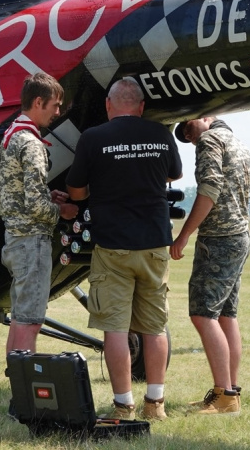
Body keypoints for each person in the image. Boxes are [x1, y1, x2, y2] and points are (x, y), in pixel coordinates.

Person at [66, 77, 182, 421]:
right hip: (154, 245)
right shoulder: (161, 134)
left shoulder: (93, 138)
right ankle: (155, 404)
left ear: (108, 105)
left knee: (115, 328)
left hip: (113, 246)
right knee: (154, 326)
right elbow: (172, 175)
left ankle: (123, 406)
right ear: (142, 106)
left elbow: (76, 191)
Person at [170, 116, 250, 416]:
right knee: (226, 316)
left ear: (203, 117)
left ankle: (225, 395)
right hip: (240, 235)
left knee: (202, 313)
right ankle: (229, 391)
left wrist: (183, 235)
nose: (189, 137)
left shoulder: (209, 141)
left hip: (219, 239)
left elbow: (209, 189)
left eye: (187, 128)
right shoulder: (236, 141)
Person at [0, 73, 79, 356]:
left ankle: (16, 379)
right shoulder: (31, 144)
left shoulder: (12, 136)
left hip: (15, 239)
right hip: (32, 242)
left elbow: (4, 192)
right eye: (55, 105)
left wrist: (45, 194)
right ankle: (25, 387)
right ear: (38, 101)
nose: (58, 112)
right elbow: (36, 208)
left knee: (20, 317)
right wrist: (62, 210)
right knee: (30, 321)